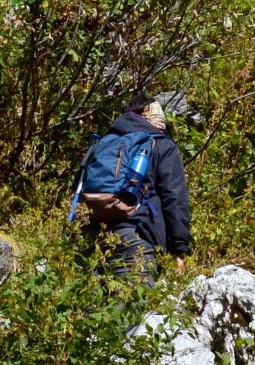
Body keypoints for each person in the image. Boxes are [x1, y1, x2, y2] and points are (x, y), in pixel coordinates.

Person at [79, 95, 193, 279]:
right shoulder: (161, 144)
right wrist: (180, 249)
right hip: (135, 236)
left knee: (88, 305)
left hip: (89, 235)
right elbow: (174, 198)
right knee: (130, 305)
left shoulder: (105, 141)